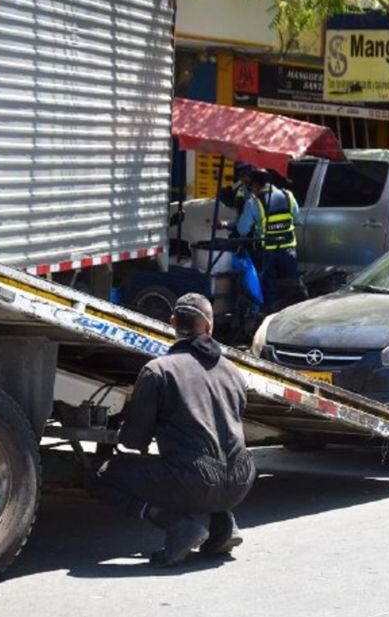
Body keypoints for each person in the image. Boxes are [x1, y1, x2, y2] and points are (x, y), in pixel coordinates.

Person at [89, 294, 256, 566]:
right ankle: (223, 526)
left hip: (195, 481)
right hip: (241, 480)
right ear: (209, 326)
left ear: (172, 323)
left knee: (101, 476)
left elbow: (134, 440)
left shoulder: (158, 371)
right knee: (208, 465)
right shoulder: (234, 373)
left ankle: (178, 526)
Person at [235, 168, 302, 307]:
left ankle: (271, 314)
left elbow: (242, 230)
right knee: (291, 289)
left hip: (267, 253)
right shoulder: (288, 196)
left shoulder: (253, 202)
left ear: (255, 184)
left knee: (270, 291)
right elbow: (296, 219)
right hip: (289, 251)